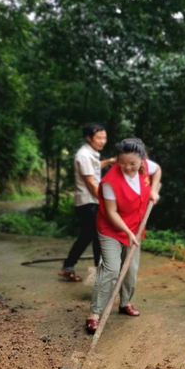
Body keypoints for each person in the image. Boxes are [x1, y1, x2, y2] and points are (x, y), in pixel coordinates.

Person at [85, 138, 161, 333]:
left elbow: (157, 169)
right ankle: (95, 313)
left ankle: (125, 303)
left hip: (136, 227)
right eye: (122, 162)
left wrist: (153, 189)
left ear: (141, 159)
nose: (127, 167)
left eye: (132, 163)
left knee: (131, 269)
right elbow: (111, 213)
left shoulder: (145, 165)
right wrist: (128, 233)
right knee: (111, 269)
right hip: (112, 228)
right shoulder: (111, 181)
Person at [58, 123, 116, 282]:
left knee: (87, 236)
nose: (102, 141)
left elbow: (95, 167)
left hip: (91, 201)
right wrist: (105, 201)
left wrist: (110, 161)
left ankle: (68, 267)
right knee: (97, 237)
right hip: (89, 202)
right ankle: (99, 276)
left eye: (104, 137)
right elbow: (91, 183)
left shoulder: (91, 153)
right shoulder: (83, 155)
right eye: (99, 138)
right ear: (88, 138)